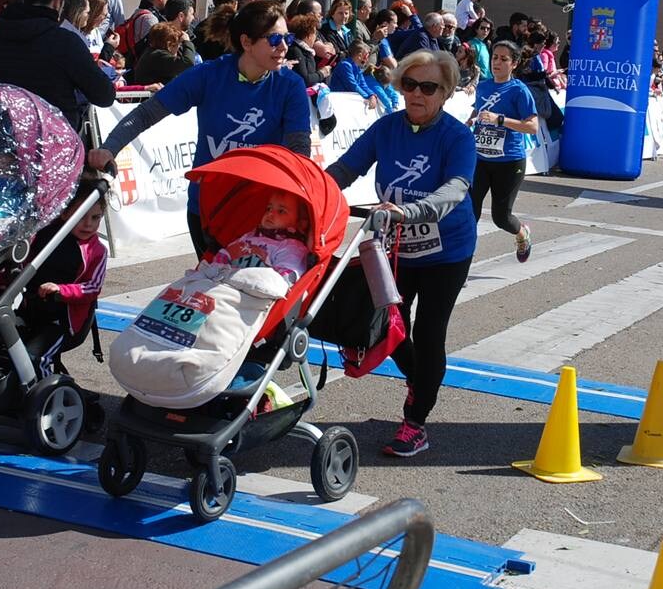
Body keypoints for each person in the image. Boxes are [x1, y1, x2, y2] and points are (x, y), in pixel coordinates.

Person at [326, 50, 477, 458]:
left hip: (447, 251)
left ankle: (416, 420)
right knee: (387, 329)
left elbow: (454, 191)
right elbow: (345, 169)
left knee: (428, 334)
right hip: (398, 249)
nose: (416, 94)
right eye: (409, 85)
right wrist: (310, 192)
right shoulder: (387, 128)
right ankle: (423, 380)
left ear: (445, 93)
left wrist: (407, 212)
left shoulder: (456, 137)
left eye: (428, 87)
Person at [88, 0, 312, 257]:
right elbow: (145, 114)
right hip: (208, 211)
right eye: (274, 40)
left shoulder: (290, 85)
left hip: (263, 215)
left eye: (288, 38)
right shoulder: (208, 75)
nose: (284, 47)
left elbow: (299, 150)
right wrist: (109, 148)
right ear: (247, 43)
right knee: (213, 289)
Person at [0, 0, 116, 131]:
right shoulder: (65, 42)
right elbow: (104, 94)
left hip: (4, 136)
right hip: (53, 142)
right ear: (57, 2)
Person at [21, 175, 110, 375]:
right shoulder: (45, 235)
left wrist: (61, 290)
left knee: (35, 358)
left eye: (95, 217)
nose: (88, 224)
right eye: (80, 216)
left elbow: (93, 287)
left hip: (63, 321)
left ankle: (41, 398)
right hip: (31, 310)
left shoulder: (96, 251)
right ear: (64, 213)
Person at [470, 41, 539, 262]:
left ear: (514, 64)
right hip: (480, 158)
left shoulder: (519, 90)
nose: (497, 62)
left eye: (503, 59)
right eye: (495, 57)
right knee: (469, 213)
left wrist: (500, 120)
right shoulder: (484, 86)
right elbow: (477, 110)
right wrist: (470, 121)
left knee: (501, 217)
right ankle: (461, 265)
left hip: (509, 161)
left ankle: (522, 233)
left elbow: (532, 126)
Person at [209, 190, 310, 284]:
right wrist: (217, 268)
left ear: (300, 222)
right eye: (269, 208)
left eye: (281, 211)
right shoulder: (251, 235)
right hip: (227, 281)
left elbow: (285, 277)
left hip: (257, 290)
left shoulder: (292, 247)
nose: (270, 213)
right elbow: (227, 253)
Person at [330, 40, 383, 110]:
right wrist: (367, 96)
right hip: (338, 103)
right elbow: (353, 86)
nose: (367, 59)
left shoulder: (357, 68)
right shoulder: (345, 65)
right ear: (360, 56)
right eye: (367, 56)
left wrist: (372, 95)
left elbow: (363, 85)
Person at [286, 11, 325, 87]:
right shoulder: (295, 51)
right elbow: (304, 79)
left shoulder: (305, 50)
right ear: (308, 35)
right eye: (314, 33)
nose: (315, 37)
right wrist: (322, 73)